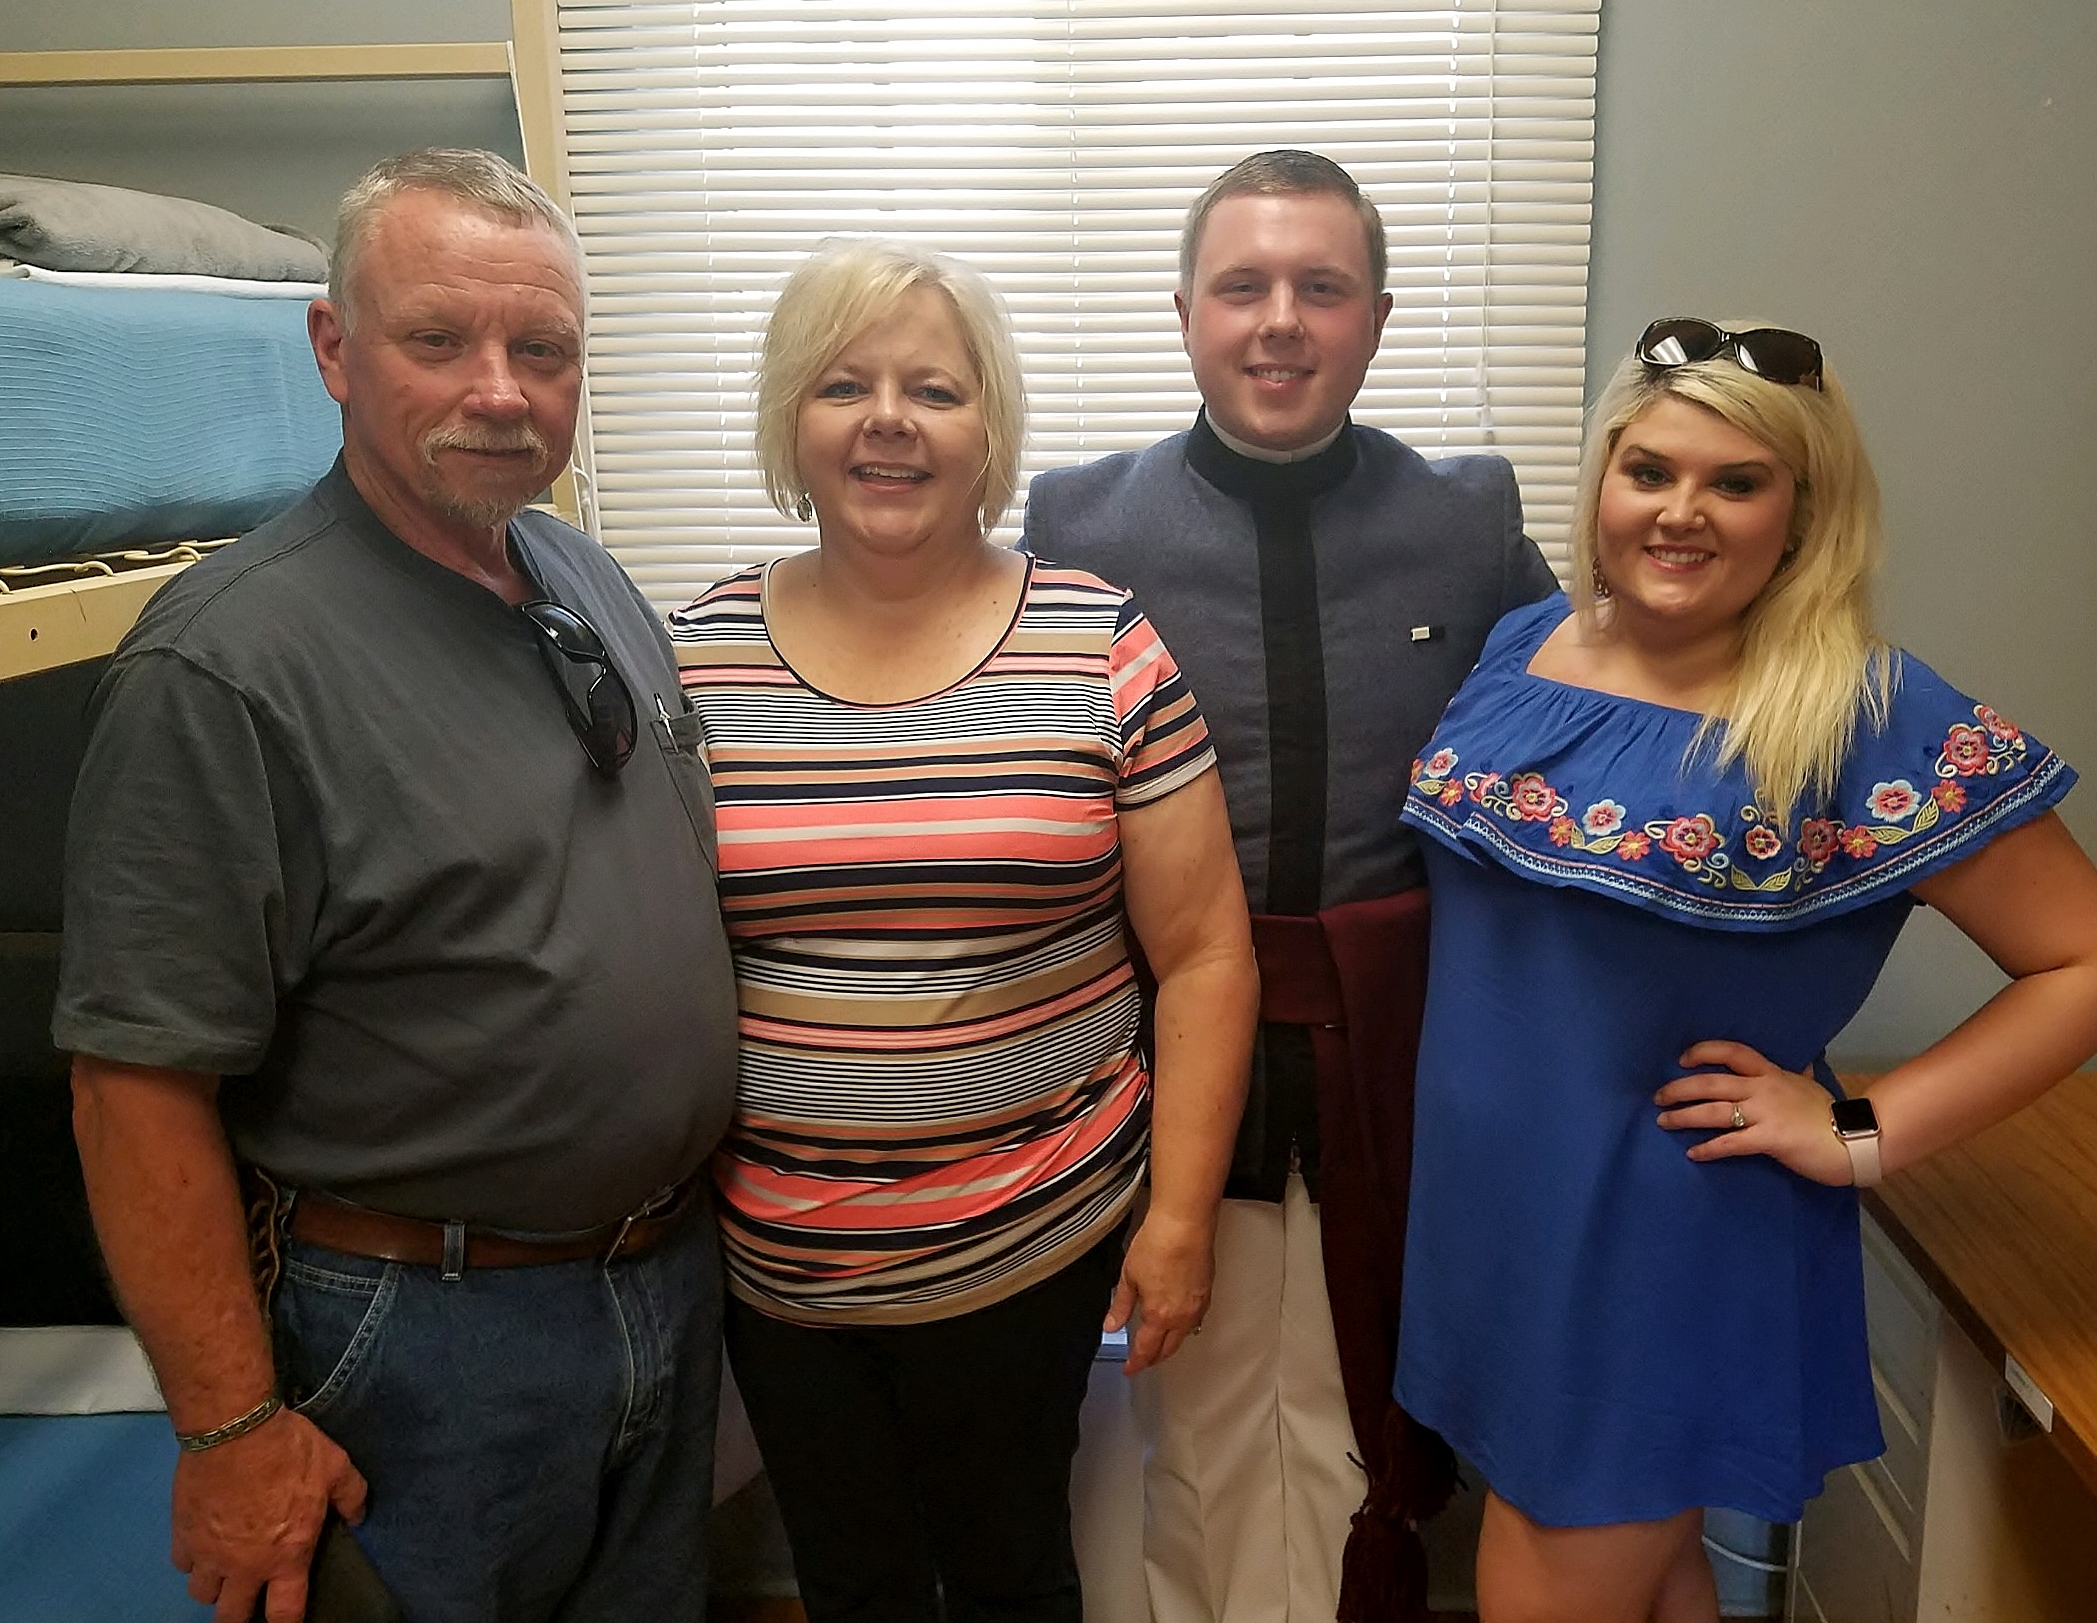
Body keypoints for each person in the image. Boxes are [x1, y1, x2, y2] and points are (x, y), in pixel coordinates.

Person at [53, 149, 740, 1623]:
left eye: (539, 350)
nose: (500, 389)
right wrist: (230, 1433)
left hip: (662, 1291)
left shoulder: (577, 573)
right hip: (425, 1340)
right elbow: (132, 1086)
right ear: (334, 351)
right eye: (439, 340)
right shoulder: (227, 665)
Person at [1394, 317, 2097, 1623]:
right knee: (1654, 1573)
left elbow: (2080, 958)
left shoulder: (1870, 712)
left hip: (1662, 1249)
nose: (1679, 513)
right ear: (1600, 477)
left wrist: (1857, 1127)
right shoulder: (1517, 651)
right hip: (1496, 1227)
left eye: (1734, 482)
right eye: (1648, 471)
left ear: (1802, 511)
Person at [668, 237, 1258, 1623]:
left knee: (1009, 1573)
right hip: (780, 1262)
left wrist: (1176, 1220)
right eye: (843, 386)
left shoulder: (1100, 644)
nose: (887, 420)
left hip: (1031, 1238)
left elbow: (1206, 954)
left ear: (986, 428)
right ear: (789, 423)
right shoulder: (689, 659)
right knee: (848, 1577)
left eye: (932, 389)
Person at [1022, 150, 1559, 1623]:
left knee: (1354, 1418)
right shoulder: (1073, 524)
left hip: (1400, 1054)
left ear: (1374, 318)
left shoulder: (1467, 516)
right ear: (1182, 311)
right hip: (1153, 1051)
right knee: (1160, 1432)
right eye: (1242, 286)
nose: (1279, 322)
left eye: (1319, 288)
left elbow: (1582, 728)